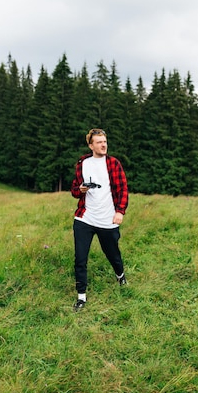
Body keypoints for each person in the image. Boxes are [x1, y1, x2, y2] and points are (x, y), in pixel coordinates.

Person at [70, 128, 129, 312]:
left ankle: (120, 275)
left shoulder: (113, 163)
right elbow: (73, 191)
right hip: (85, 218)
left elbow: (123, 190)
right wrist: (80, 189)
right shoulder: (83, 162)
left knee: (113, 255)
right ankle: (81, 297)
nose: (103, 145)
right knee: (80, 258)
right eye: (99, 142)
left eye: (105, 141)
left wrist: (120, 212)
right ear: (91, 145)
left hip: (107, 219)